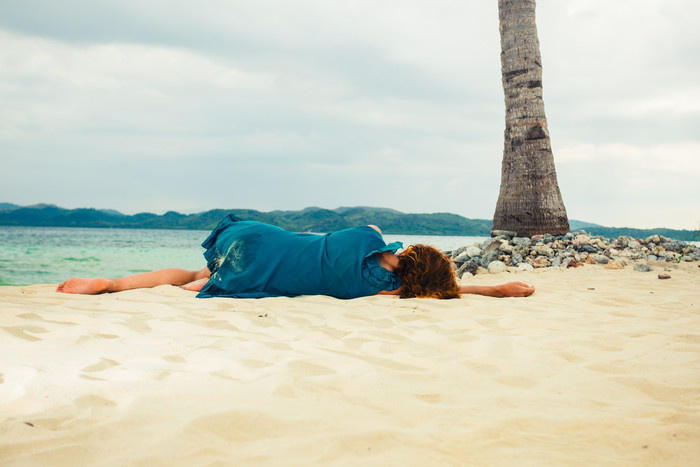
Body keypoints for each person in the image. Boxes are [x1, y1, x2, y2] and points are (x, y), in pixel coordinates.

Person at [57, 215, 535, 299]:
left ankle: (113, 284)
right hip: (256, 272)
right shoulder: (378, 289)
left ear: (406, 251)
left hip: (256, 237)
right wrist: (496, 289)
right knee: (204, 278)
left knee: (197, 268)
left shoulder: (369, 234)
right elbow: (441, 291)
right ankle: (202, 284)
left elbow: (372, 242)